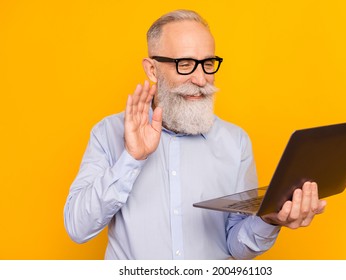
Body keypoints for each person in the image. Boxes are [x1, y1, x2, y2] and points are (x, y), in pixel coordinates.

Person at [64, 9, 326, 260]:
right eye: (185, 64)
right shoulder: (108, 133)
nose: (201, 79)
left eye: (208, 63)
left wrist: (269, 219)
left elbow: (237, 244)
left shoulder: (236, 142)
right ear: (152, 70)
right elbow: (78, 228)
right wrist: (132, 159)